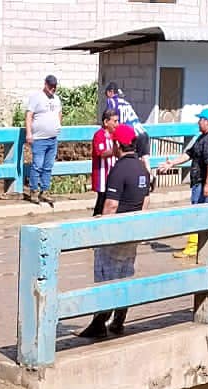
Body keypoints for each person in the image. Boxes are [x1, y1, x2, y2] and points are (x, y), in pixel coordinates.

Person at [79, 125, 151, 341]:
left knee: (106, 276)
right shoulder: (142, 169)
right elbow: (145, 201)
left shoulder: (118, 170)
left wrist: (100, 232)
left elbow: (110, 205)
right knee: (125, 273)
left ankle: (100, 322)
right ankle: (119, 320)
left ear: (117, 145)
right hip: (133, 231)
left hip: (115, 232)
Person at [164, 107, 208, 260]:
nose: (198, 122)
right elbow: (189, 154)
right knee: (197, 213)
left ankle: (195, 248)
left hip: (205, 184)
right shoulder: (202, 137)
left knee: (199, 215)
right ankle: (195, 246)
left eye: (200, 120)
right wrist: (172, 163)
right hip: (199, 183)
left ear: (206, 121)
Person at [24, 74, 62, 206]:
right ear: (45, 84)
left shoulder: (56, 99)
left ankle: (44, 191)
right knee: (37, 165)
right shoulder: (36, 97)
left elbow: (59, 114)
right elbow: (29, 115)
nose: (53, 89)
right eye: (51, 86)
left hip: (52, 138)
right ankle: (34, 191)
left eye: (54, 86)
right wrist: (29, 133)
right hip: (39, 138)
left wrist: (58, 127)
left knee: (48, 166)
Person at [91, 107, 122, 216]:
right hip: (102, 175)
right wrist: (116, 151)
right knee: (102, 199)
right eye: (114, 121)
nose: (117, 124)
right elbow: (101, 153)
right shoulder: (99, 135)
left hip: (113, 173)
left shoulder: (115, 135)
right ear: (106, 122)